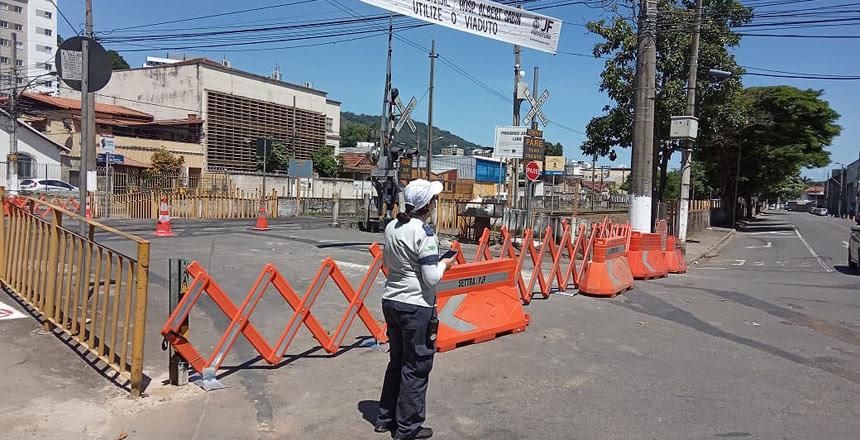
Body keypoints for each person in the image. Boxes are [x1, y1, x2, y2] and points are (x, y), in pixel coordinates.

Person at [375, 179, 454, 440]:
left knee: (396, 361)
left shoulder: (392, 227)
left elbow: (388, 261)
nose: (435, 202)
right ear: (426, 205)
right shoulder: (424, 233)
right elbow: (431, 278)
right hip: (416, 306)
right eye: (433, 199)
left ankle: (385, 418)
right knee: (416, 367)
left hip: (391, 300)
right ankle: (408, 428)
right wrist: (445, 264)